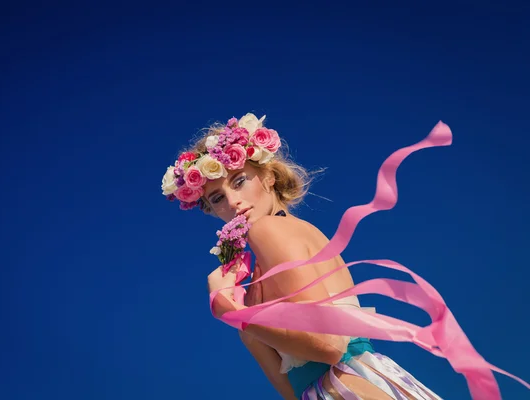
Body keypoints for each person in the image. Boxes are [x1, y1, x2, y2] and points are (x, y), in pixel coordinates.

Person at [161, 113, 443, 399]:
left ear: (269, 177)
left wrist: (232, 314)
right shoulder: (263, 265)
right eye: (217, 198)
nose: (233, 202)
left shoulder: (269, 230)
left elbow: (329, 346)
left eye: (239, 181)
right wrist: (240, 314)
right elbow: (293, 390)